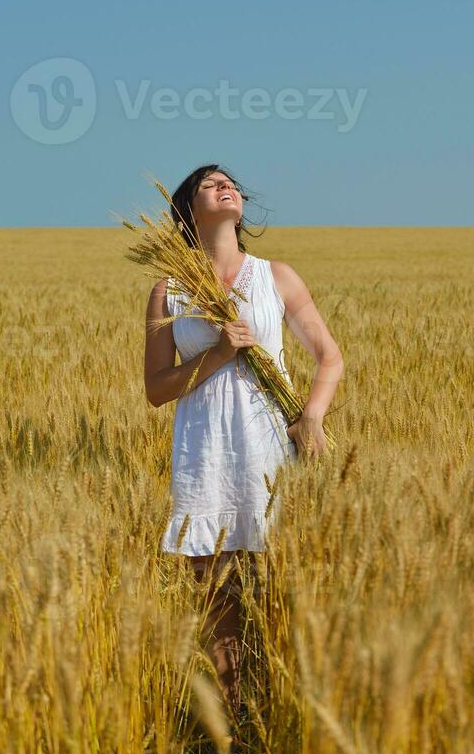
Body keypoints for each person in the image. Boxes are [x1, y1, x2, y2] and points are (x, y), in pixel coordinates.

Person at [143, 164, 344, 725]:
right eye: (209, 183)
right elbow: (157, 390)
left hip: (269, 452)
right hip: (206, 456)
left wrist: (312, 418)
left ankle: (285, 716)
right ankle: (237, 728)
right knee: (219, 607)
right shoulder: (167, 291)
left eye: (229, 180)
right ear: (188, 208)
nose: (225, 185)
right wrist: (218, 354)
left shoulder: (276, 276)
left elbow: (329, 356)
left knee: (280, 588)